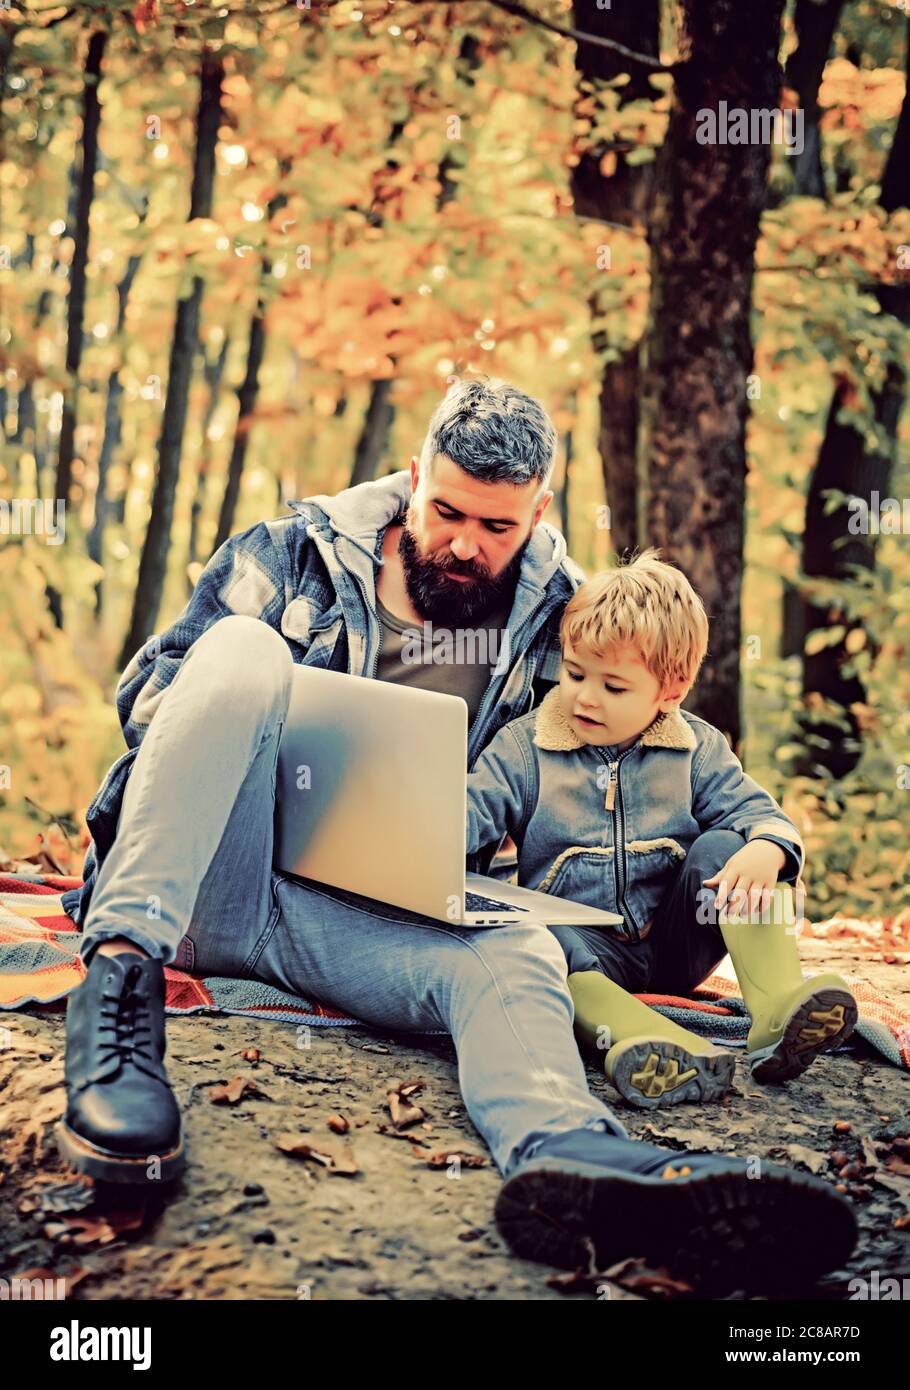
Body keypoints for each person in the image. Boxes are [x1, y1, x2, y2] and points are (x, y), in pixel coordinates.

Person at [57, 379, 857, 1291]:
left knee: (515, 952)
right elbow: (150, 705)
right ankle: (119, 1000)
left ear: (539, 511)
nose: (467, 544)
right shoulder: (293, 551)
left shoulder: (562, 609)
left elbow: (615, 747)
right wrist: (283, 724)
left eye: (498, 527)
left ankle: (572, 1157)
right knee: (243, 651)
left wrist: (719, 853)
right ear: (413, 477)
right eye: (446, 511)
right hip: (217, 874)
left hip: (360, 914)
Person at [466, 548, 859, 1114]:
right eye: (575, 673)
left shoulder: (695, 749)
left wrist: (769, 848)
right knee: (536, 933)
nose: (585, 695)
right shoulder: (525, 749)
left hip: (677, 944)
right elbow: (471, 813)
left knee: (729, 847)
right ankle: (657, 1046)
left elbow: (761, 814)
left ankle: (774, 1015)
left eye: (614, 687)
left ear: (669, 693)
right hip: (585, 955)